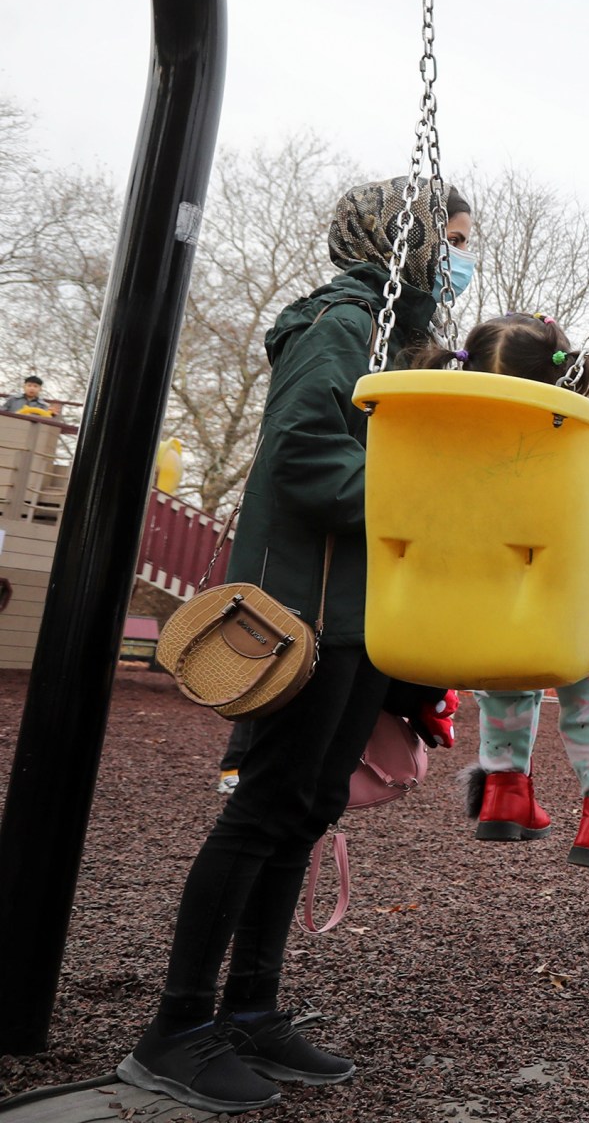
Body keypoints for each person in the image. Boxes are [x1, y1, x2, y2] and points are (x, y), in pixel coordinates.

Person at [120, 180, 475, 1115]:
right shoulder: (342, 322)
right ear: (405, 244)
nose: (461, 260)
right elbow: (306, 455)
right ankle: (177, 1028)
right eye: (454, 242)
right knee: (263, 811)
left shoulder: (395, 339)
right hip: (310, 613)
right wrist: (428, 499)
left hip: (362, 614)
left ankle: (251, 1007)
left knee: (310, 806)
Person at [432, 313, 589, 872]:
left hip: (480, 614)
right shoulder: (570, 446)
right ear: (564, 380)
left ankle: (504, 792)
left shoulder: (446, 445)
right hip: (563, 615)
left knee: (504, 681)